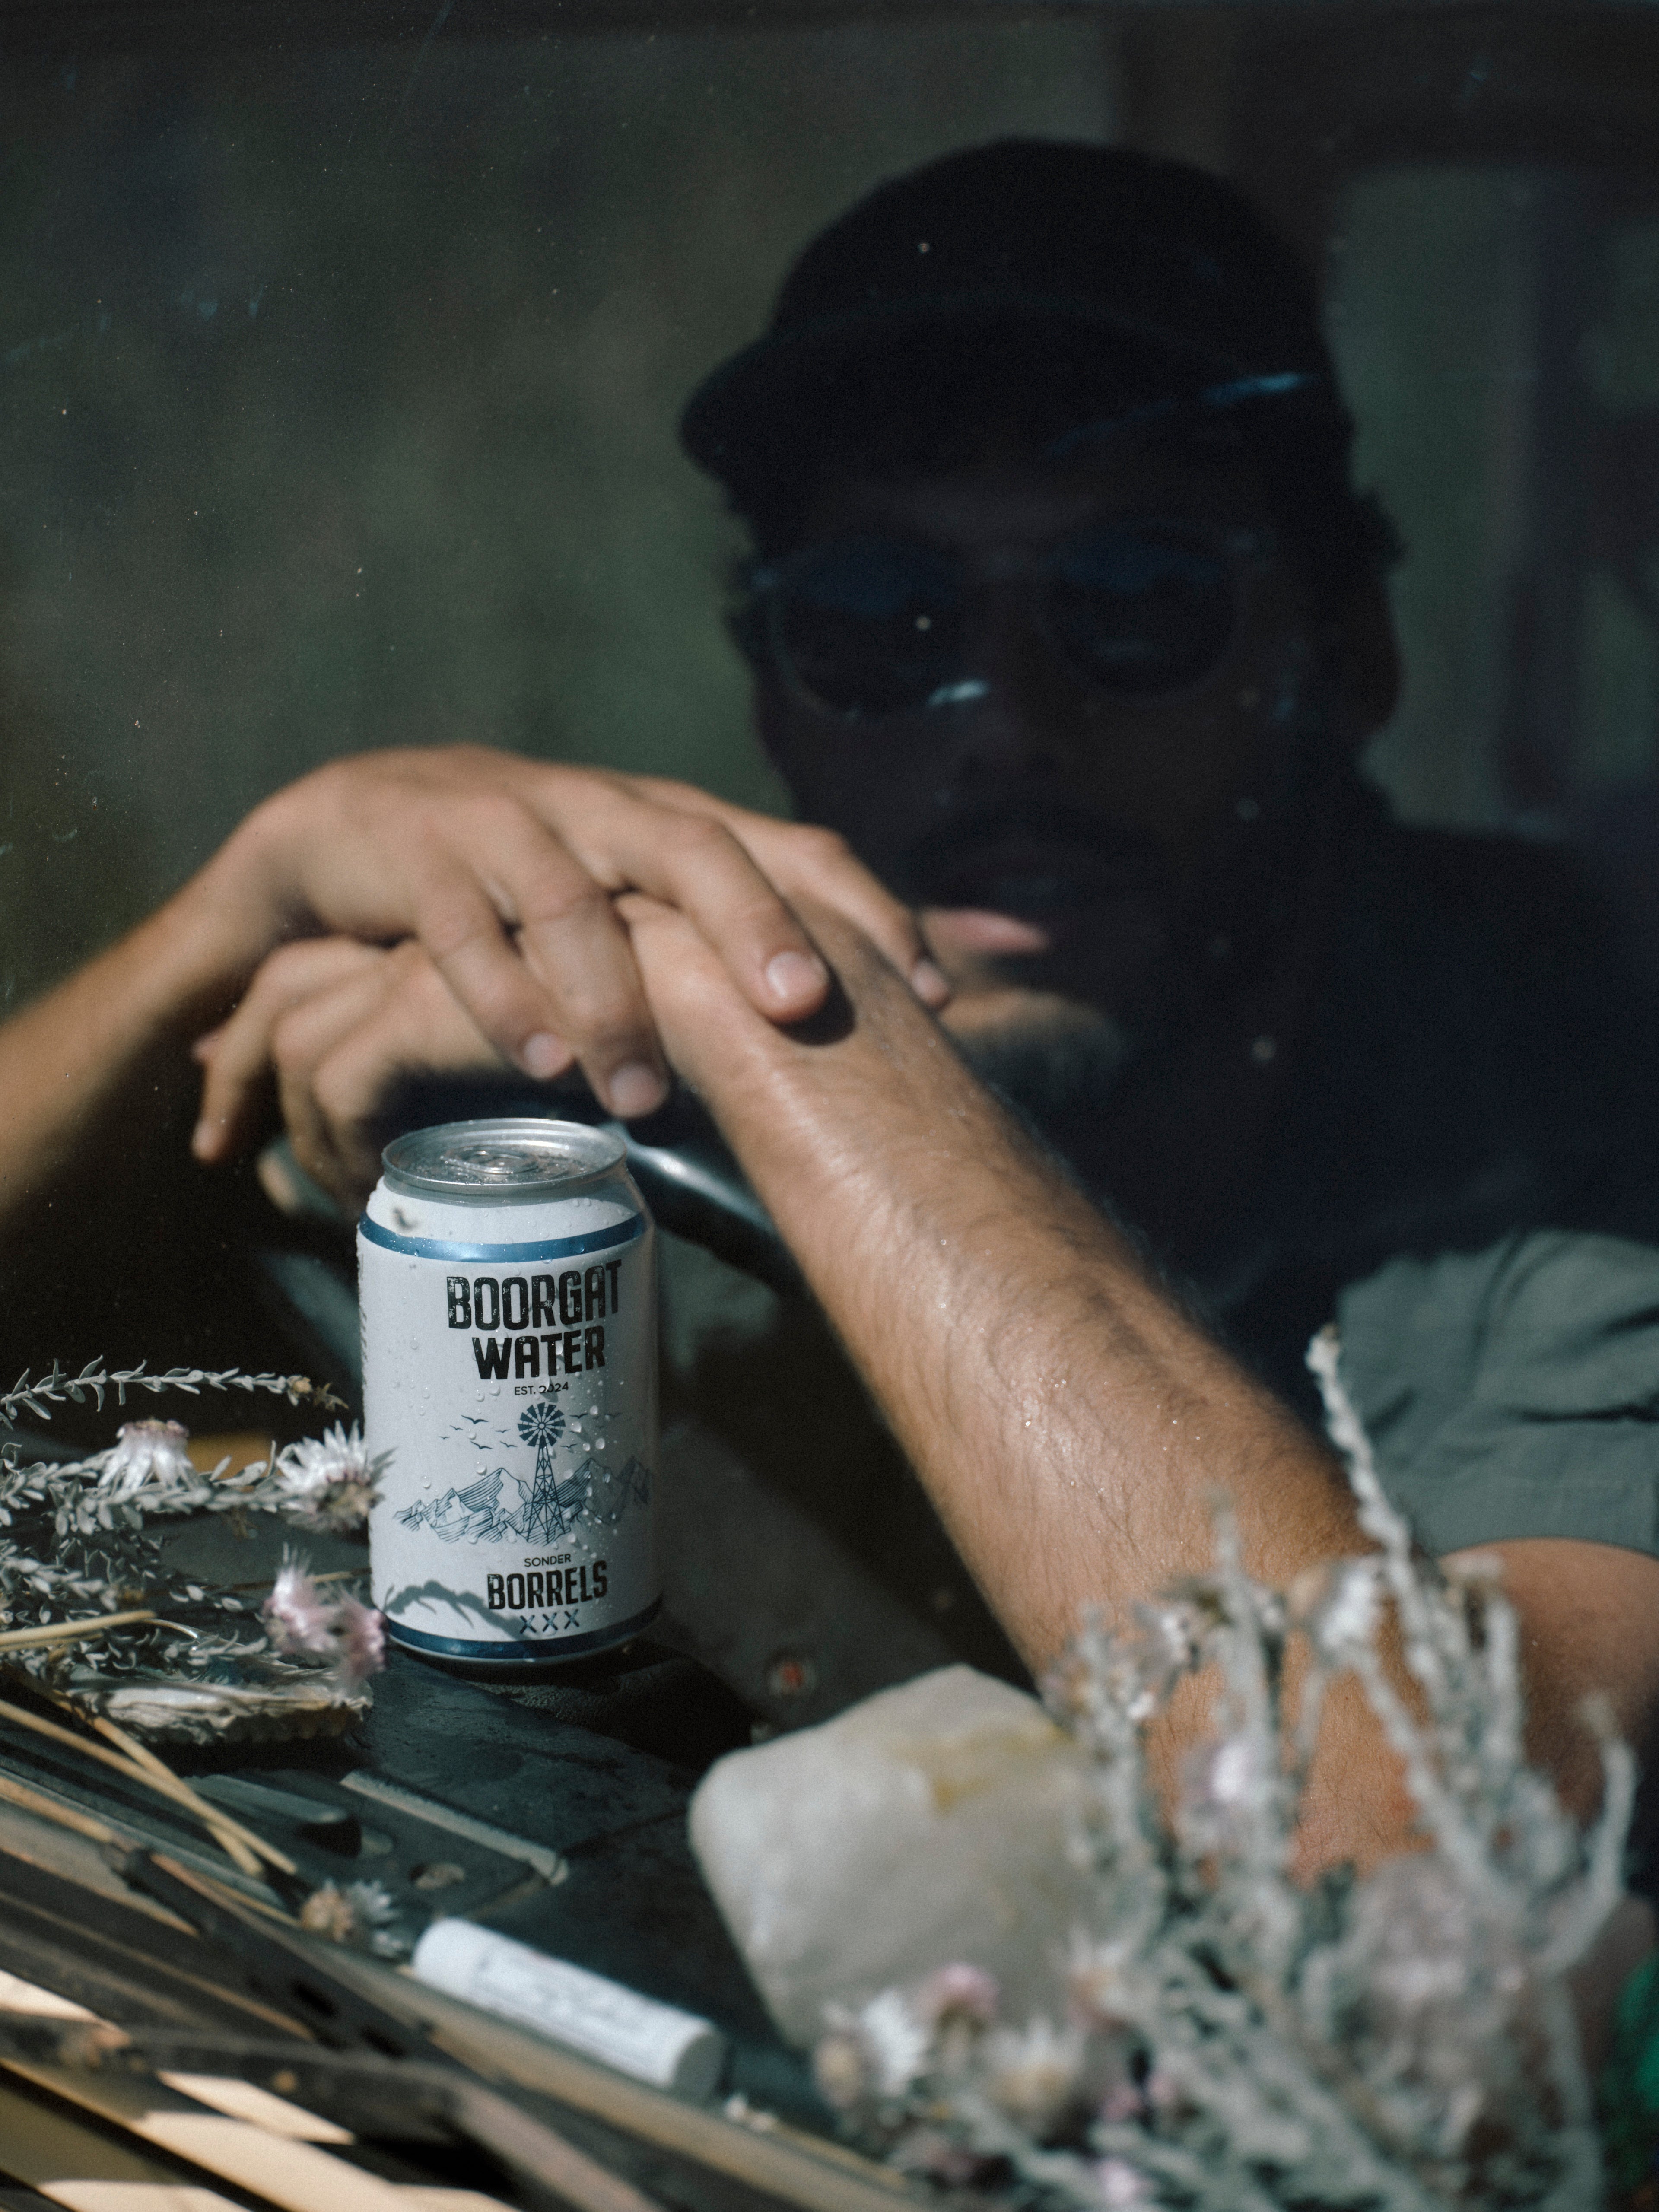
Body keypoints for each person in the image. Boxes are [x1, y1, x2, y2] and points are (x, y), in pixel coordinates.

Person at [5, 143, 1659, 1875]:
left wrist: (792, 1021)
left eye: (1140, 602)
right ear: (777, 690)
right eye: (884, 616)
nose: (1004, 720)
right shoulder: (599, 1064)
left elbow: (1414, 1871)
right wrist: (237, 908)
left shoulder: (1570, 1161)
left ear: (1349, 655)